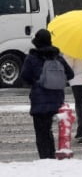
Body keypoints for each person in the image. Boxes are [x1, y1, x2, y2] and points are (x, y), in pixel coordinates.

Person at [21, 29, 74, 159]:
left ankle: (46, 158)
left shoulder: (32, 58)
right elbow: (70, 74)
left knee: (42, 132)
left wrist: (35, 81)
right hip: (57, 99)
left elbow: (25, 77)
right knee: (49, 130)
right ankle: (51, 156)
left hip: (39, 101)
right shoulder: (58, 57)